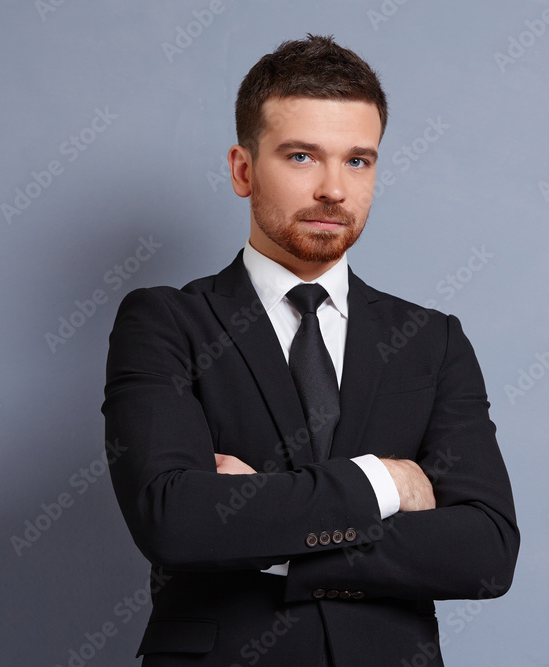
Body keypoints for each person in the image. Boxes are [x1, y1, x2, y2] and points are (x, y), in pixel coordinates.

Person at [102, 34, 519, 667]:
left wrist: (268, 533)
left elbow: (485, 552)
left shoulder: (432, 341)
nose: (334, 189)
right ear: (243, 170)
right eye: (301, 156)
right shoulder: (166, 322)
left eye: (358, 161)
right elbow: (175, 521)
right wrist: (387, 480)